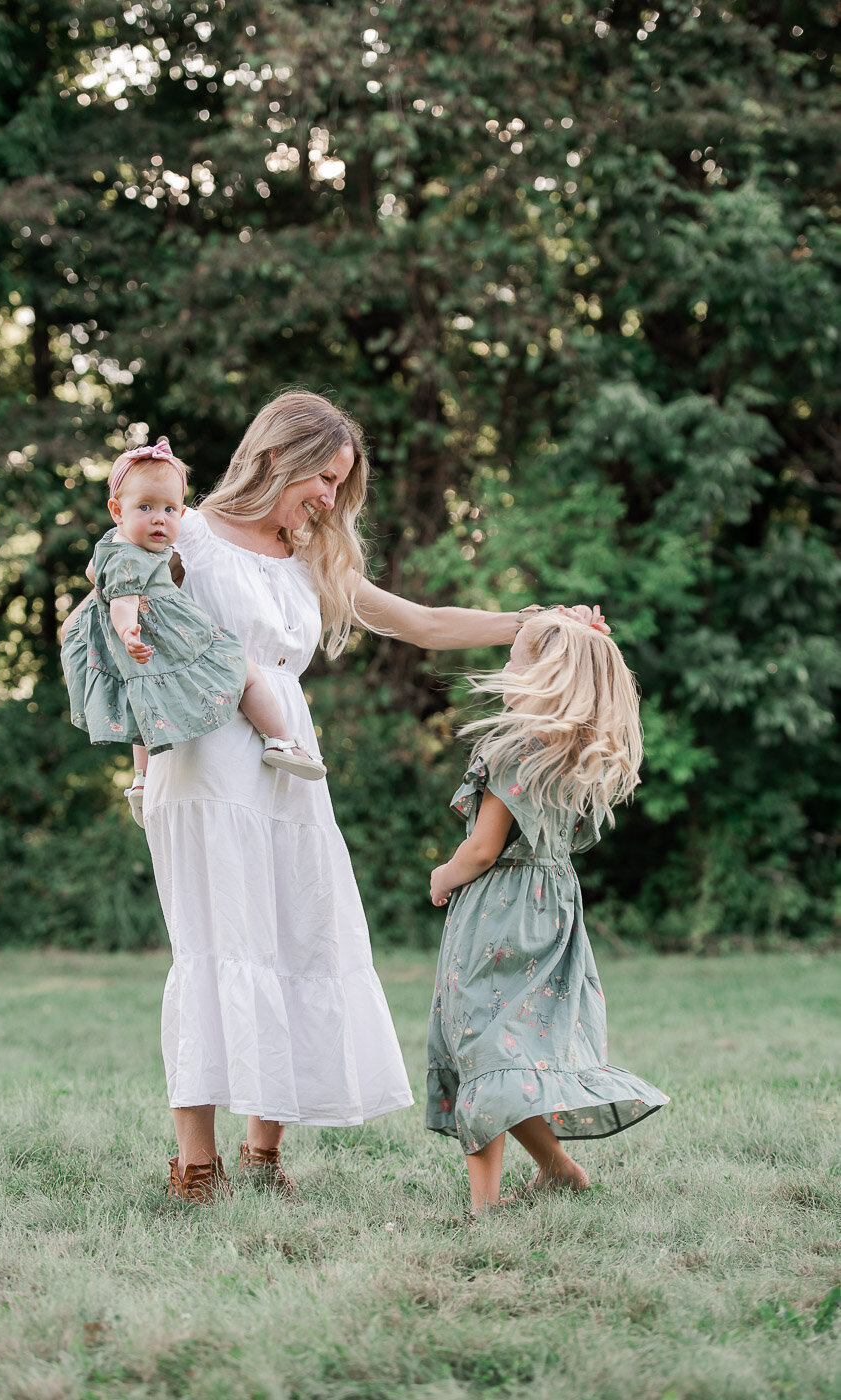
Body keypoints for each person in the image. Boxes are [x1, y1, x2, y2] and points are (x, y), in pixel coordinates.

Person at [62, 389, 536, 1205]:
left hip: (290, 763)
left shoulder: (312, 556)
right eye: (323, 477)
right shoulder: (187, 533)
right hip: (204, 762)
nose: (329, 496)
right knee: (215, 946)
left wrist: (531, 622)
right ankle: (196, 1165)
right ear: (277, 456)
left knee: (296, 938)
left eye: (339, 484)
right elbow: (105, 612)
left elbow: (420, 623)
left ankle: (264, 1153)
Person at [426, 606, 669, 1217]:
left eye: (514, 660)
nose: (505, 670)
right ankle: (560, 1169)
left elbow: (483, 849)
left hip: (498, 910)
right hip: (553, 909)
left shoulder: (511, 748)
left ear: (545, 677)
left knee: (483, 1047)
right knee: (512, 1048)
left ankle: (484, 1206)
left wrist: (443, 875)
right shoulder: (575, 753)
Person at [61, 439, 325, 827]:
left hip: (150, 644)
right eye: (145, 507)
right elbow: (121, 600)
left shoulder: (115, 547)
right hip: (173, 636)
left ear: (182, 513)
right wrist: (128, 631)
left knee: (145, 704)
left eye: (169, 509)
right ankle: (281, 740)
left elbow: (94, 575)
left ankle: (141, 780)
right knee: (243, 670)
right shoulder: (129, 558)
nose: (159, 519)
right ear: (117, 511)